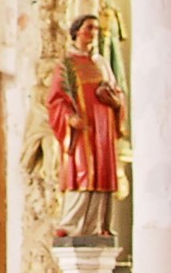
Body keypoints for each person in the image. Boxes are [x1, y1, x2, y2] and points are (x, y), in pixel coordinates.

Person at [46, 14, 122, 238]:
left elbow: (117, 92)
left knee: (102, 171)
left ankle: (98, 225)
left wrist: (115, 101)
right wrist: (69, 117)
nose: (93, 33)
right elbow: (55, 100)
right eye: (89, 28)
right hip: (83, 129)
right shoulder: (66, 65)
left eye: (96, 29)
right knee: (82, 170)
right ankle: (72, 224)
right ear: (77, 31)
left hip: (103, 127)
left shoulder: (100, 63)